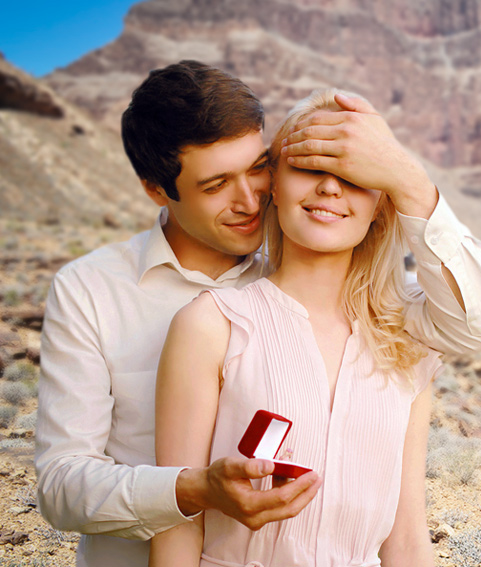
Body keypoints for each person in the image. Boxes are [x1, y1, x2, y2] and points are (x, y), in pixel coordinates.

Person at [35, 62, 481, 567]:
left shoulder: (386, 324)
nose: (250, 198)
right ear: (156, 189)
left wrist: (406, 176)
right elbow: (62, 486)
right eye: (215, 185)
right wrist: (194, 490)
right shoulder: (104, 294)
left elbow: (407, 533)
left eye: (258, 168)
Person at [152, 88, 444, 567]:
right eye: (309, 166)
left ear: (380, 208)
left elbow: (407, 539)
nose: (330, 188)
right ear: (275, 185)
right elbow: (176, 528)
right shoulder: (211, 325)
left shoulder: (406, 346)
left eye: (354, 175)